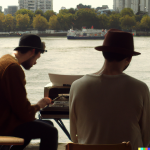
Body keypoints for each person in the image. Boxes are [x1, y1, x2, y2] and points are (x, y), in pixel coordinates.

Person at [69, 29, 150, 150]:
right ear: (129, 59)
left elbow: (73, 136)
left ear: (103, 53)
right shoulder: (140, 88)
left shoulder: (76, 86)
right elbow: (146, 138)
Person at [0, 34, 58, 150]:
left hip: (4, 118)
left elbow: (18, 107)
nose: (35, 63)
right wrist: (39, 105)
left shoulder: (5, 60)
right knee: (51, 131)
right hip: (3, 124)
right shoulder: (13, 68)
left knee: (47, 125)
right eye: (37, 58)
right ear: (32, 52)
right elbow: (24, 114)